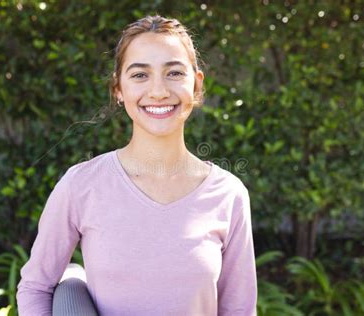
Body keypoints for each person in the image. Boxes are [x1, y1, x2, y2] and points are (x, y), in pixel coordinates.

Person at [16, 15, 257, 315]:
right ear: (118, 88)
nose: (158, 91)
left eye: (174, 73)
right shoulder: (81, 186)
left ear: (195, 85)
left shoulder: (229, 194)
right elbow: (36, 287)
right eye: (140, 75)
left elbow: (239, 309)